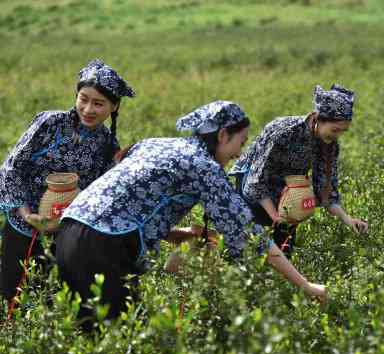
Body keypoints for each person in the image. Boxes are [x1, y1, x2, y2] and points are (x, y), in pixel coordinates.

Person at [56, 101, 327, 331]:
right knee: (118, 336)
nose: (239, 153)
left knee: (94, 333)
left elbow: (127, 204)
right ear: (223, 135)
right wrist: (305, 285)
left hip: (70, 233)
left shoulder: (154, 144)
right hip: (101, 247)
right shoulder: (203, 167)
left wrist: (178, 234)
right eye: (240, 143)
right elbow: (249, 233)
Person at [0, 59, 135, 302]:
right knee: (13, 292)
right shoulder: (49, 123)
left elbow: (97, 195)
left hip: (62, 232)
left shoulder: (107, 145)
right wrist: (26, 213)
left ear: (114, 107)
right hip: (22, 222)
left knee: (49, 298)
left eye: (98, 103)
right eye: (83, 99)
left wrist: (119, 165)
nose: (88, 109)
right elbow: (12, 167)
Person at [231, 84, 368, 256]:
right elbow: (256, 180)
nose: (337, 135)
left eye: (343, 131)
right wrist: (276, 218)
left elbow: (326, 189)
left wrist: (348, 220)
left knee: (284, 249)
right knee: (246, 242)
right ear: (318, 118)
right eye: (335, 129)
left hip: (289, 191)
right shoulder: (285, 132)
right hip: (252, 182)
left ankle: (280, 271)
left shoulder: (329, 145)